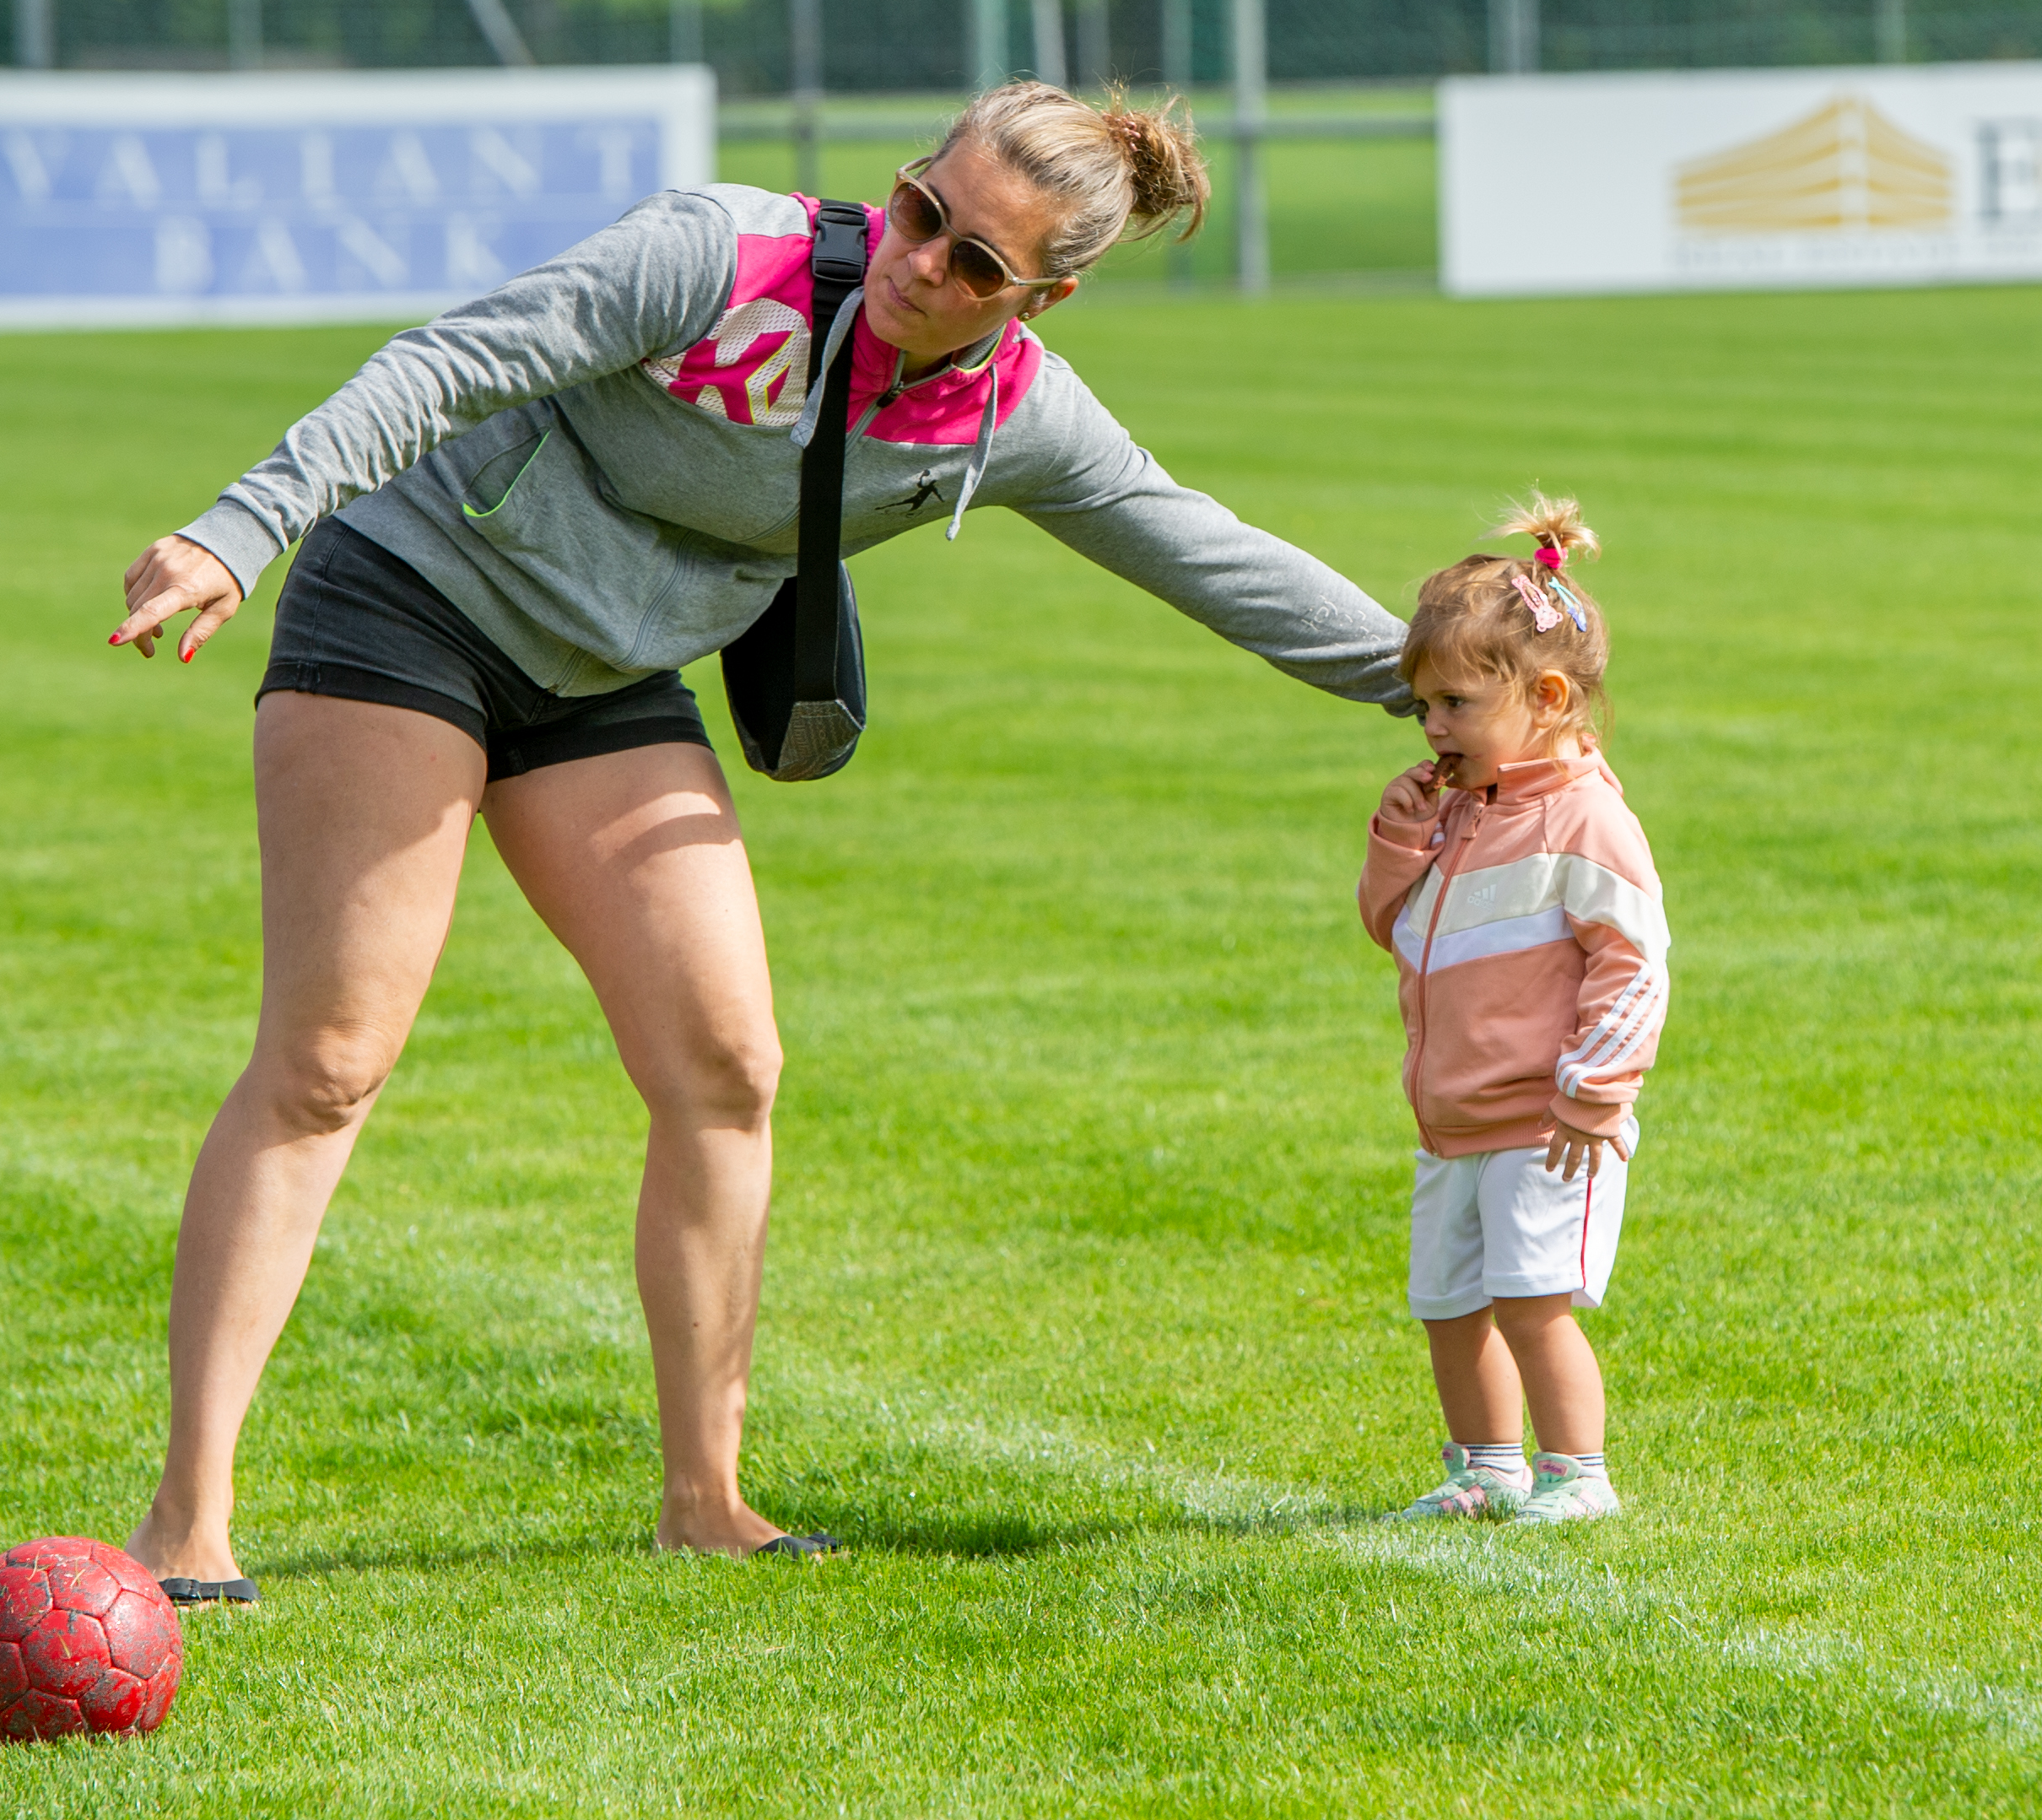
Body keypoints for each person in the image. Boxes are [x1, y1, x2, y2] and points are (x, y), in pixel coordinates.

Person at [108, 80, 1423, 1601]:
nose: (928, 265)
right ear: (905, 181)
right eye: (926, 215)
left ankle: (705, 1499)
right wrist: (239, 529)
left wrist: (1441, 689)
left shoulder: (1012, 415)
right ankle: (186, 1521)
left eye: (979, 266)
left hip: (602, 680)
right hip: (415, 600)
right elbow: (448, 364)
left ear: (1045, 297)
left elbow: (1204, 549)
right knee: (331, 1055)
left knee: (725, 1062)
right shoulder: (715, 256)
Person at [1359, 497, 1669, 1526]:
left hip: (1549, 1122)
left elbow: (1634, 963)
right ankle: (1483, 1468)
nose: (1433, 728)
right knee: (1449, 1304)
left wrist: (1594, 1093)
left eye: (1453, 704)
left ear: (1543, 695)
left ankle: (1578, 1476)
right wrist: (1399, 845)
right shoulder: (1453, 811)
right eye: (1424, 708)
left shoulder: (1586, 818)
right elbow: (1397, 933)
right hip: (1450, 1119)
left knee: (1533, 1304)